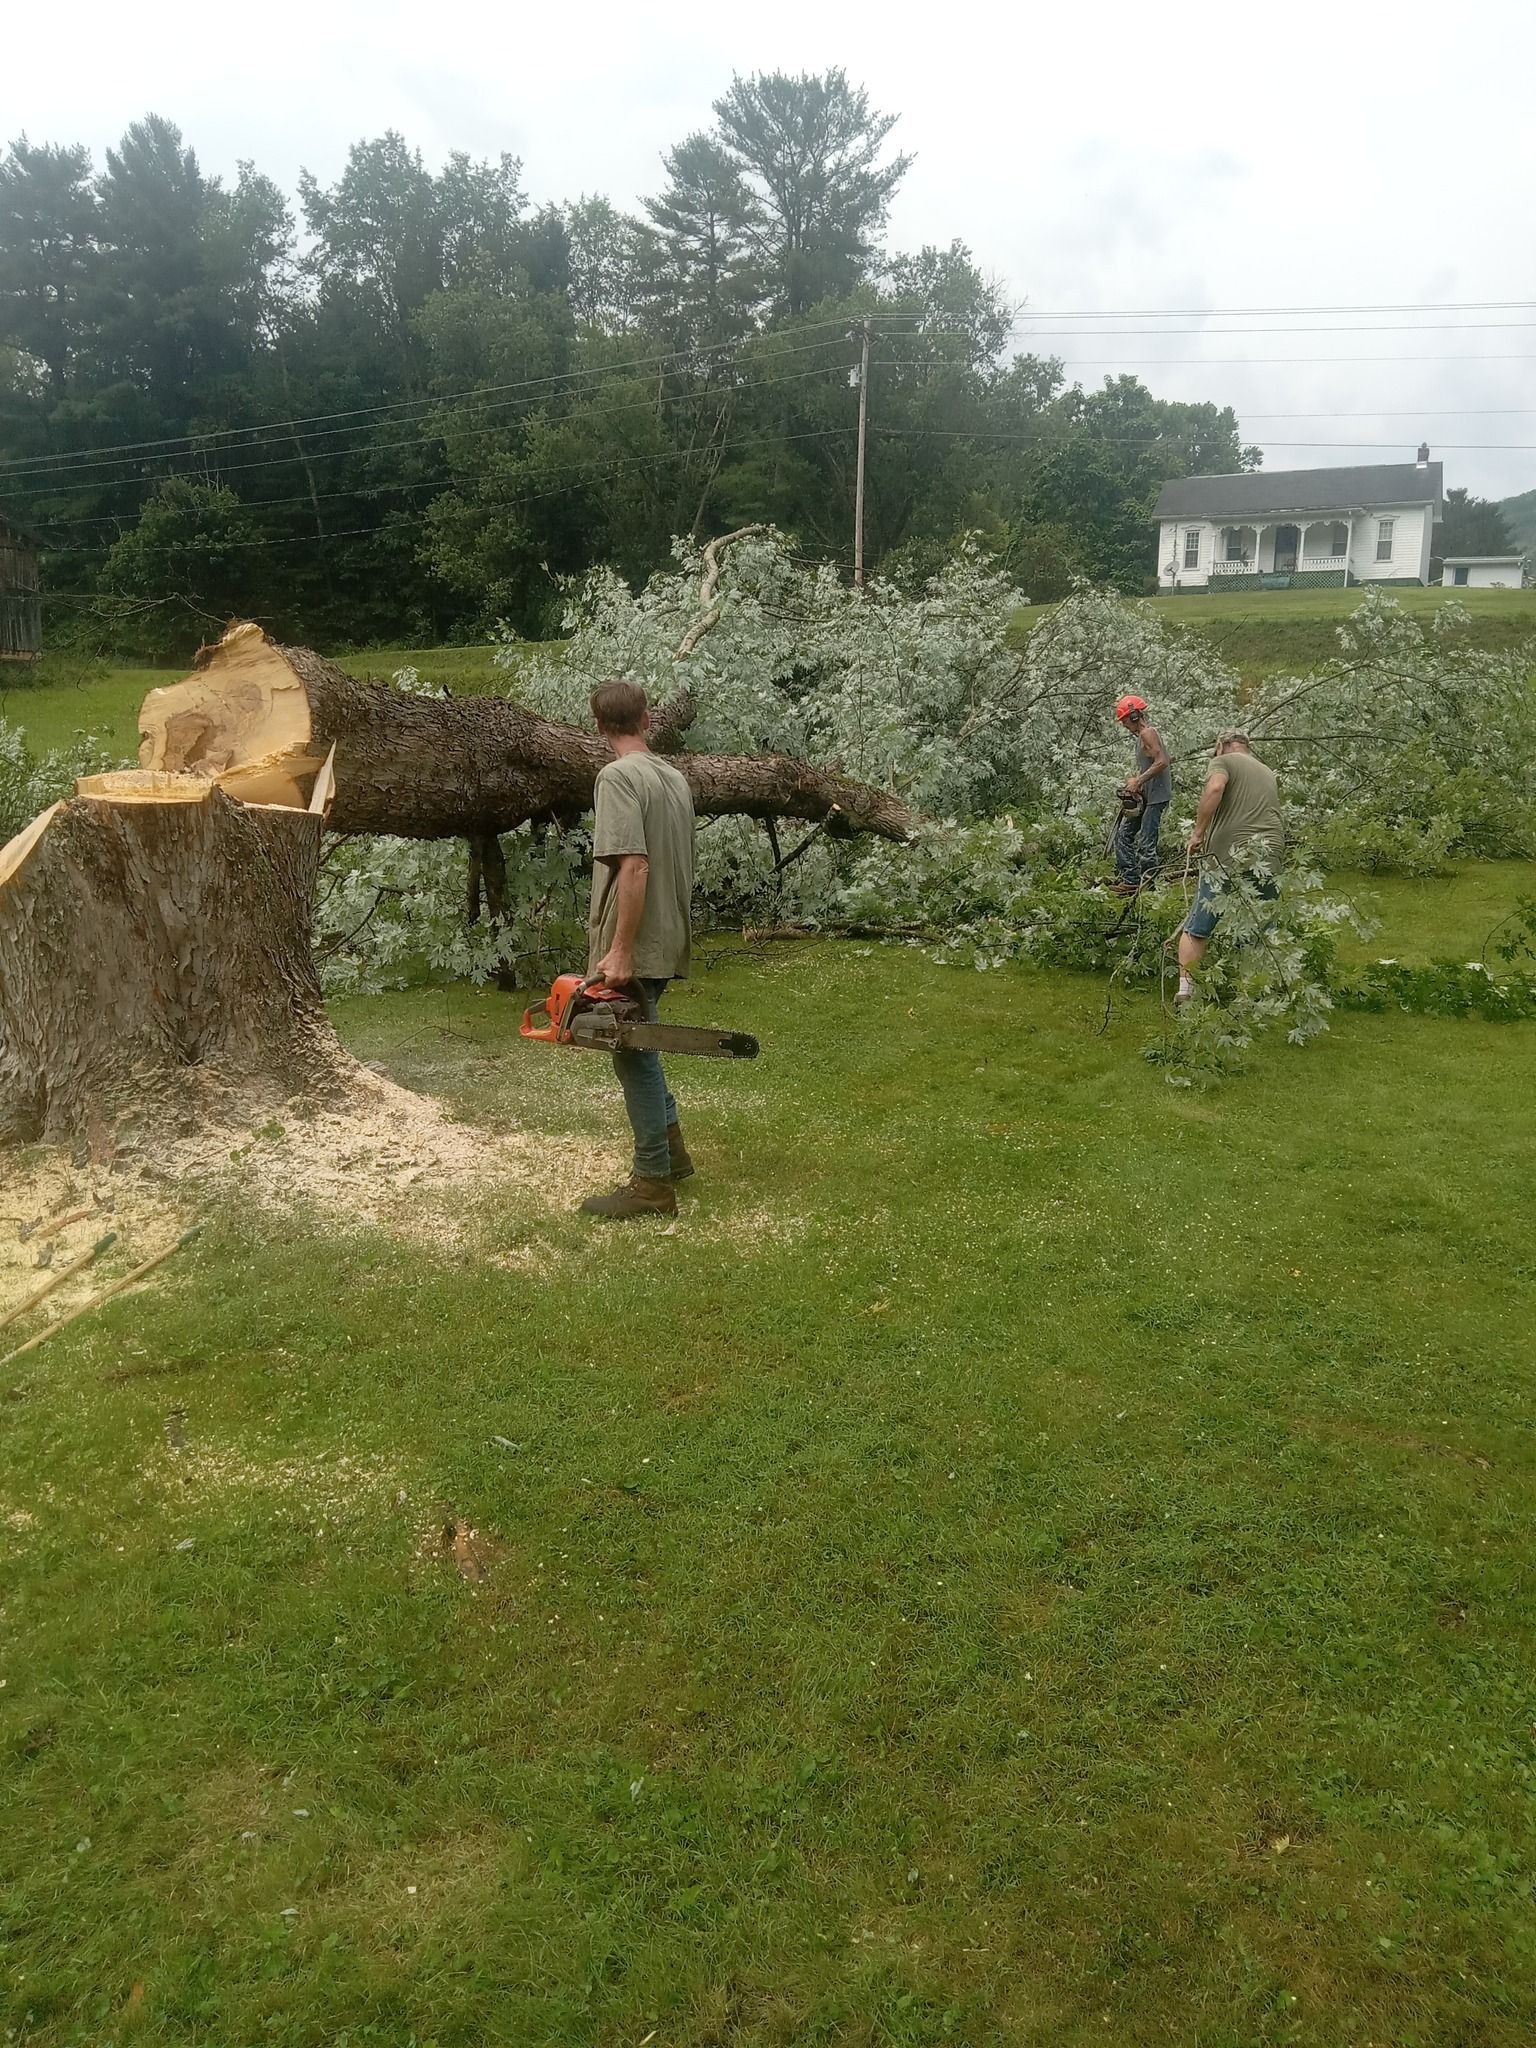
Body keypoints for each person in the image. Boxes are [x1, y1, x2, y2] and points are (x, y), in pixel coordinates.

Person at [579, 679, 697, 1220]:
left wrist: (620, 950)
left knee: (632, 1056)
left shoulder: (616, 777)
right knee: (642, 1043)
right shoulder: (673, 778)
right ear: (647, 720)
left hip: (639, 940)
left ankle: (651, 1183)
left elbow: (635, 864)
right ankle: (671, 1153)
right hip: (670, 931)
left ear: (600, 728)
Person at [1176, 732, 1285, 1007]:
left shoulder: (1223, 761)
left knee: (1199, 924)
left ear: (1220, 746)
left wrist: (1198, 834)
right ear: (1248, 747)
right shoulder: (1267, 771)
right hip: (1270, 851)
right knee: (1261, 922)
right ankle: (1250, 992)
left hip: (1228, 854)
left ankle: (1186, 990)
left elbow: (1215, 788)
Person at [1112, 695, 1172, 894]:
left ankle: (1149, 887)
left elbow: (1162, 761)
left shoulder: (1148, 733)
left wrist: (1139, 781)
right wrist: (1136, 781)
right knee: (1123, 835)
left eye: (1125, 720)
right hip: (1148, 795)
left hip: (1156, 797)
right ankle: (1131, 880)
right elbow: (1151, 764)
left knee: (1147, 842)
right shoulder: (1143, 736)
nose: (1124, 725)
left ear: (1135, 715)